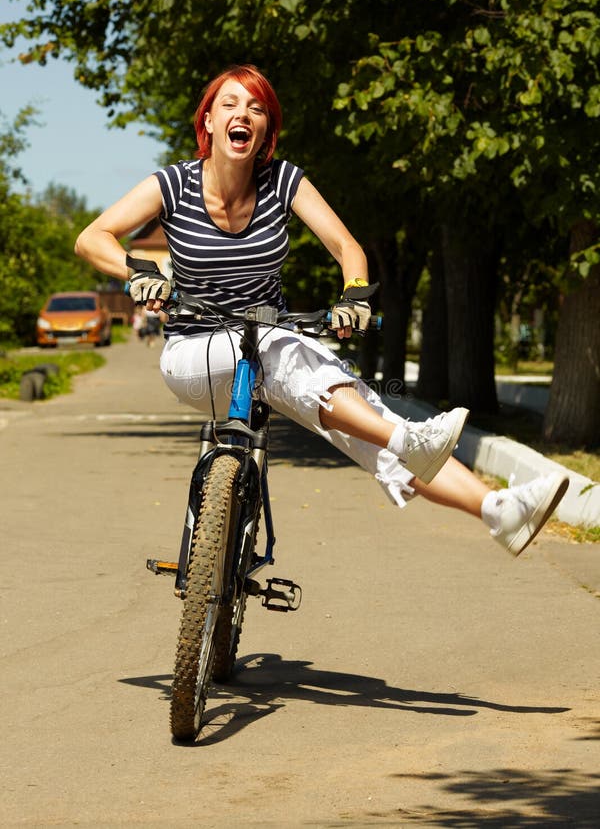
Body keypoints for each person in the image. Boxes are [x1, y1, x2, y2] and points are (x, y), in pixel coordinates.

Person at [75, 63, 569, 557]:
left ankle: (497, 509)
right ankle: (408, 437)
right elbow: (92, 238)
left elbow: (346, 247)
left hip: (271, 349)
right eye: (229, 104)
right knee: (283, 352)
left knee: (362, 415)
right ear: (208, 122)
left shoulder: (284, 181)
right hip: (193, 354)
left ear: (266, 128)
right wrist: (138, 271)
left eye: (256, 108)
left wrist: (353, 296)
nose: (242, 114)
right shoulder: (173, 184)